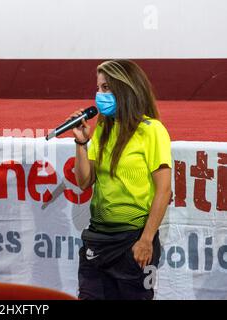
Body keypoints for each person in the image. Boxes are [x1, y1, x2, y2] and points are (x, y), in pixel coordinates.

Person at [70, 59, 172, 300]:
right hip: (98, 240)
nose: (99, 94)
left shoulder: (151, 130)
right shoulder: (104, 129)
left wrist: (146, 240)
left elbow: (164, 190)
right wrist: (81, 143)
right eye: (98, 88)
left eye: (106, 88)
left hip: (132, 242)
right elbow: (84, 182)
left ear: (125, 89)